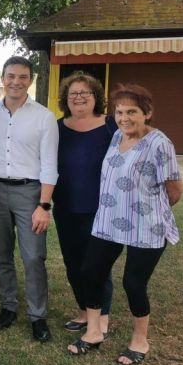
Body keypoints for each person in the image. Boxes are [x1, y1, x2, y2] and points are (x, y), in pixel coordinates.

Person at [68, 84, 183, 365]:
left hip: (146, 225)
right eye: (119, 112)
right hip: (108, 220)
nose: (124, 118)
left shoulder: (160, 143)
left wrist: (149, 208)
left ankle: (140, 340)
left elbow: (175, 189)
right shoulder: (117, 135)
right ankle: (94, 332)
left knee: (133, 283)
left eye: (132, 112)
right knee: (90, 272)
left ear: (147, 113)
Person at [0, 56, 58, 342]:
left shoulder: (43, 117)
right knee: (1, 253)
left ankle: (38, 316)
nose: (16, 81)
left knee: (34, 256)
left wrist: (44, 206)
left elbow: (50, 164)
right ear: (2, 78)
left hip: (30, 192)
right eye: (11, 76)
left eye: (23, 76)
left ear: (30, 80)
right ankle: (9, 306)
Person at [54, 72, 115, 335]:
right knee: (73, 262)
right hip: (66, 207)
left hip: (101, 208)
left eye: (84, 93)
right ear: (66, 99)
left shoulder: (112, 126)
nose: (78, 98)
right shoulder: (57, 128)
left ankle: (102, 317)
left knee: (97, 264)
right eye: (73, 94)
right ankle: (83, 311)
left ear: (96, 97)